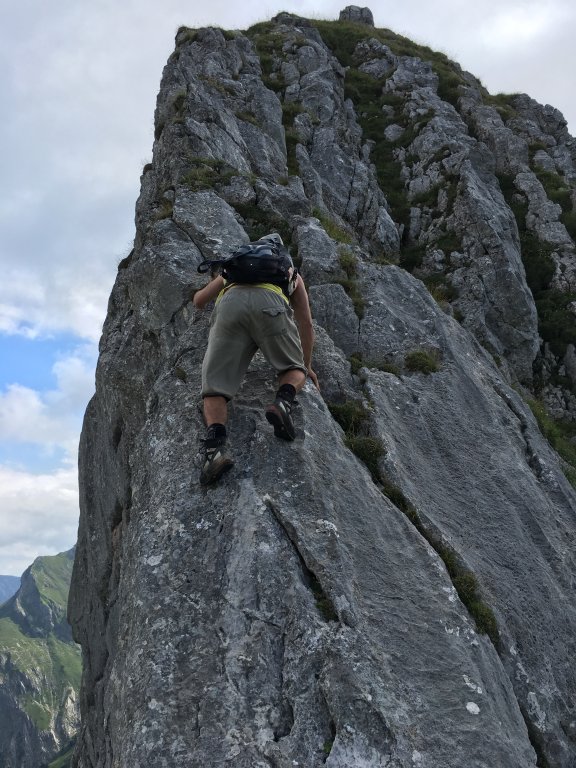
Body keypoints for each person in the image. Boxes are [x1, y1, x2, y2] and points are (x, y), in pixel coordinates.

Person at [193, 234, 319, 485]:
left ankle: (213, 451)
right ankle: (282, 402)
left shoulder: (235, 267)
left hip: (230, 307)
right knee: (293, 369)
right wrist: (306, 366)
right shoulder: (288, 270)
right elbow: (306, 323)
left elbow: (198, 301)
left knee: (214, 387)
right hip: (271, 304)